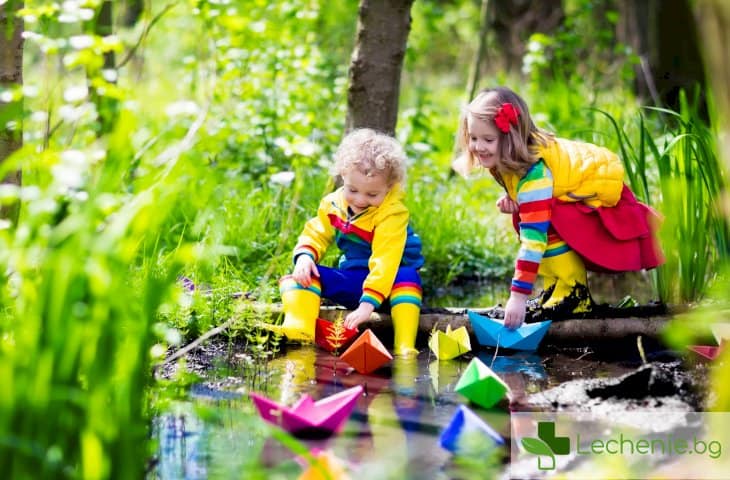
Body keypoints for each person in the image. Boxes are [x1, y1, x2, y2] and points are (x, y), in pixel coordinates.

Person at [453, 86, 663, 329]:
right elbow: (521, 189)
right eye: (474, 138)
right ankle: (554, 288)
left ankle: (574, 292)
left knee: (546, 223)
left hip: (594, 194)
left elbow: (534, 240)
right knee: (529, 217)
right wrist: (514, 199)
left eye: (488, 139)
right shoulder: (506, 159)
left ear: (511, 139)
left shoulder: (535, 174)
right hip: (565, 192)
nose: (479, 147)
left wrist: (518, 297)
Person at [279, 128, 424, 356]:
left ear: (390, 187)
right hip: (355, 281)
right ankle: (299, 330)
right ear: (343, 176)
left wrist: (367, 305)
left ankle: (404, 345)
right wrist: (306, 256)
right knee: (304, 273)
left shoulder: (392, 213)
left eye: (372, 194)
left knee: (407, 275)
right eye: (353, 190)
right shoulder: (333, 204)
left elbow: (385, 261)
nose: (360, 200)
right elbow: (317, 231)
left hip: (390, 289)